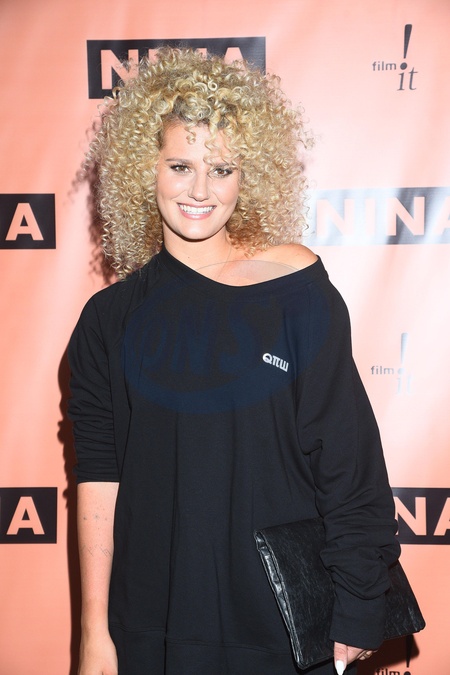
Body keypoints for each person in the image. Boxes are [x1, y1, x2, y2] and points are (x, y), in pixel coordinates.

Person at [68, 47, 400, 675]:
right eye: (180, 165)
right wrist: (94, 632)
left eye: (221, 169)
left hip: (281, 628)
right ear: (145, 169)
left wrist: (360, 602)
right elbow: (99, 482)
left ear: (249, 177)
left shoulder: (294, 289)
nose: (200, 190)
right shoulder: (108, 319)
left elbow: (347, 459)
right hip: (150, 629)